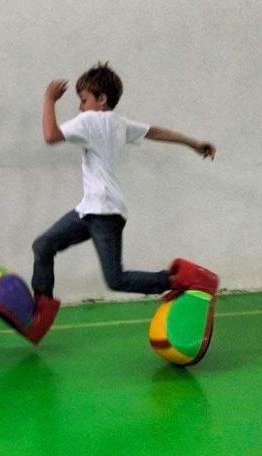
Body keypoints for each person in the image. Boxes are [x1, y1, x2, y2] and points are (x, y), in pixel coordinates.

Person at [25, 62, 219, 343]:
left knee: (116, 279)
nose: (80, 108)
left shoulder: (91, 121)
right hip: (91, 209)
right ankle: (41, 313)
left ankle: (179, 279)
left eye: (84, 100)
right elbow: (156, 131)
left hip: (103, 212)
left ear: (101, 100)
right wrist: (193, 143)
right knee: (44, 245)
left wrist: (48, 100)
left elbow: (50, 136)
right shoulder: (118, 123)